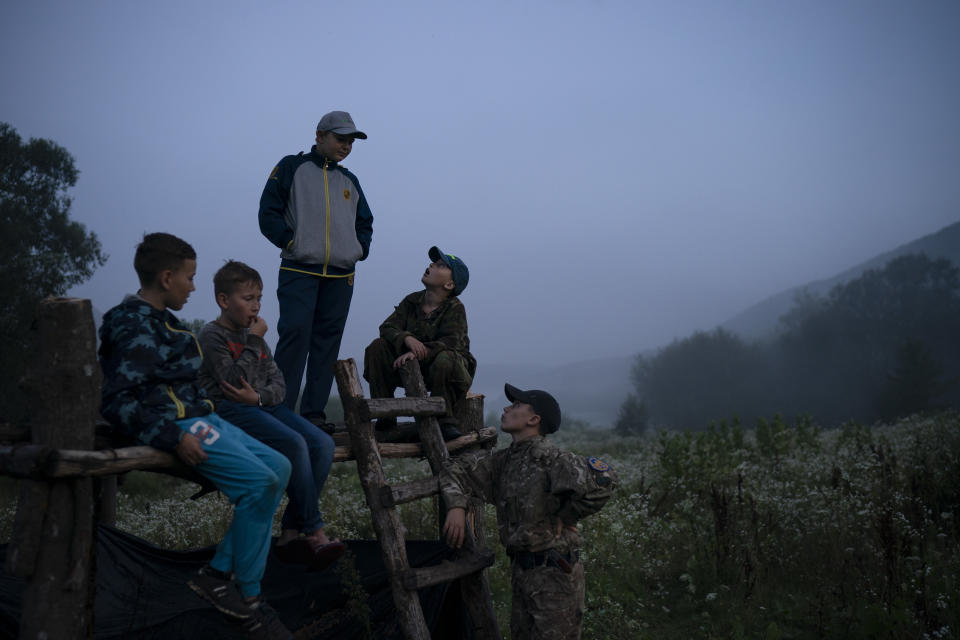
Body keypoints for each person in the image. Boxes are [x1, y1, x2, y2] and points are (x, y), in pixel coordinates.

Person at [98, 233, 292, 640]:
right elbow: (118, 401)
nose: (193, 286)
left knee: (280, 464)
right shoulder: (130, 324)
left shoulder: (169, 323)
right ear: (167, 277)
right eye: (189, 278)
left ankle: (218, 572)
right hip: (178, 427)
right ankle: (249, 597)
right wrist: (171, 437)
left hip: (202, 417)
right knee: (260, 482)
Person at [197, 260, 345, 570]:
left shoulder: (257, 338)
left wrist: (259, 396)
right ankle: (315, 531)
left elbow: (279, 383)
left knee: (324, 445)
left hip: (261, 405)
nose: (256, 306)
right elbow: (232, 382)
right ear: (224, 301)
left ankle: (291, 531)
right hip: (230, 410)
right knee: (294, 443)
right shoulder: (213, 336)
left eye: (259, 299)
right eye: (248, 299)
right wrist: (253, 344)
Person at [440, 384, 617, 640]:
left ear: (534, 420)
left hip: (555, 573)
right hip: (522, 573)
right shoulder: (504, 461)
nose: (506, 408)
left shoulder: (551, 458)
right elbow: (454, 469)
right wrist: (457, 504)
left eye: (516, 406)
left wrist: (567, 516)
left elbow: (605, 478)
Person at [258, 110, 373, 432]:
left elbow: (365, 222)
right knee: (295, 335)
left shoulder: (350, 180)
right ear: (320, 136)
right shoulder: (291, 167)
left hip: (341, 275)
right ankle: (281, 409)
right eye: (340, 139)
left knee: (326, 343)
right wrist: (290, 241)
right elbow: (268, 212)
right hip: (300, 268)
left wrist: (358, 250)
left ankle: (312, 414)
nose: (346, 146)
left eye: (351, 141)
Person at [363, 246, 475, 440]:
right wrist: (407, 338)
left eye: (440, 265)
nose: (431, 265)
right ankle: (385, 416)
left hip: (448, 370)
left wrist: (419, 351)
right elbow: (387, 327)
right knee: (377, 347)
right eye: (433, 262)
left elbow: (451, 341)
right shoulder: (412, 300)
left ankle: (444, 420)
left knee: (445, 358)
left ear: (449, 285)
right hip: (412, 367)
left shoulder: (455, 308)